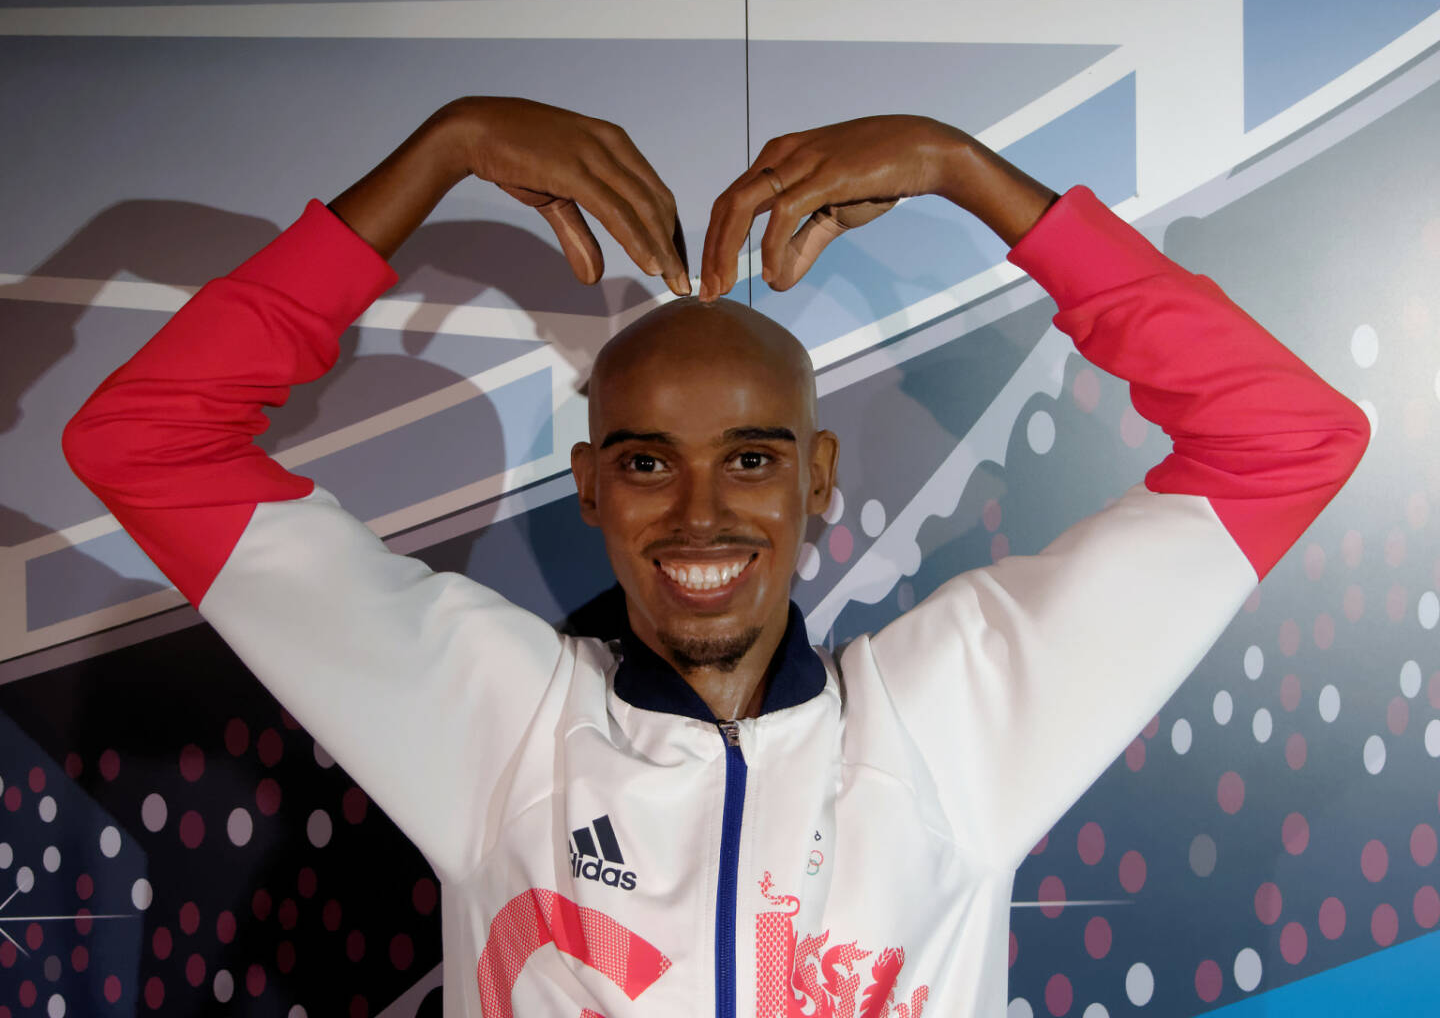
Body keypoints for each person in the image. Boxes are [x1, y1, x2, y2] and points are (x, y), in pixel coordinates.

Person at [63, 96, 1368, 1017]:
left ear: (817, 480)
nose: (699, 513)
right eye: (646, 461)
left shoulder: (951, 725)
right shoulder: (498, 723)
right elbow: (147, 443)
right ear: (590, 486)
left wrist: (968, 174)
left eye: (750, 458)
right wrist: (442, 151)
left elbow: (1285, 440)